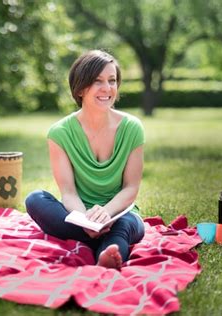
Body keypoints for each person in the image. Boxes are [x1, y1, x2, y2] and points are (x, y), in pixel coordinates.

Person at [25, 49, 145, 269]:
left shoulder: (132, 128)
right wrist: (86, 220)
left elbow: (131, 188)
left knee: (126, 225)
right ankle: (104, 245)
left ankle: (108, 254)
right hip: (78, 215)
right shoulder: (60, 133)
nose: (107, 88)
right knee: (35, 199)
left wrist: (106, 214)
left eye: (112, 80)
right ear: (80, 88)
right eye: (98, 81)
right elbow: (68, 192)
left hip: (118, 214)